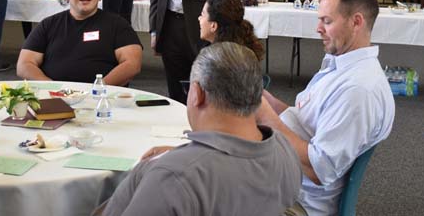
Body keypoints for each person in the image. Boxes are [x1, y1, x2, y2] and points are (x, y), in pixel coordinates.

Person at [94, 42, 301, 216]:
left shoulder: (173, 178)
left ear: (196, 93)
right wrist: (184, 156)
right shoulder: (284, 150)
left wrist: (178, 164)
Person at [256, 0, 395, 216]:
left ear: (356, 22)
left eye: (327, 21)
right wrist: (263, 99)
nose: (318, 28)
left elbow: (319, 168)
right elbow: (306, 123)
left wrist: (267, 118)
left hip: (295, 203)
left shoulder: (358, 90)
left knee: (200, 188)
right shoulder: (343, 67)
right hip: (284, 180)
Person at [16, 0, 142, 85]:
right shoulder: (48, 25)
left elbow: (132, 64)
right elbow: (24, 64)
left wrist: (98, 89)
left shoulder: (117, 24)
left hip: (101, 99)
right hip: (55, 97)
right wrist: (52, 88)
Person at [198, 0, 264, 61]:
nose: (199, 18)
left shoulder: (215, 61)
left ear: (213, 26)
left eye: (203, 15)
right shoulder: (241, 53)